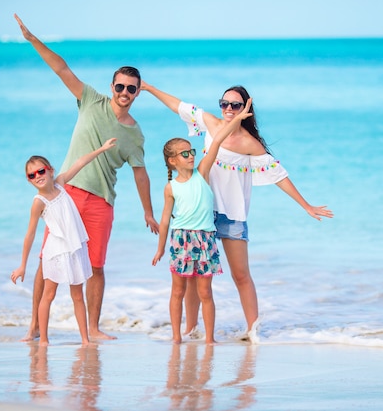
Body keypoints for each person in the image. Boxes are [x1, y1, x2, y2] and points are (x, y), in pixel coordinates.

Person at [141, 82, 333, 342]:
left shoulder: (250, 143)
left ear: (246, 108)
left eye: (235, 105)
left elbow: (278, 175)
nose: (229, 109)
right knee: (195, 278)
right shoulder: (211, 123)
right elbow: (179, 105)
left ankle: (253, 331)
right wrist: (149, 88)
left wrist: (306, 205)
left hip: (232, 214)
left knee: (241, 275)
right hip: (202, 214)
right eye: (224, 104)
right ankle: (191, 330)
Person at [14, 14, 159, 341]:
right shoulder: (91, 100)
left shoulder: (135, 135)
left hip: (101, 203)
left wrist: (148, 212)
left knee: (95, 266)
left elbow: (141, 175)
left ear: (137, 93)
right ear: (112, 87)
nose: (124, 91)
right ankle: (35, 327)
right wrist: (32, 38)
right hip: (66, 194)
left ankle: (92, 329)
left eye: (131, 88)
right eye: (119, 86)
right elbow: (62, 69)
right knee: (47, 260)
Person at [152, 100, 253, 344]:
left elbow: (216, 141)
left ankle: (209, 338)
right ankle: (177, 336)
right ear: (172, 161)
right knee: (178, 291)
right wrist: (160, 247)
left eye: (192, 152)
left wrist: (237, 121)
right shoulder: (171, 187)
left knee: (205, 291)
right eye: (184, 153)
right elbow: (165, 220)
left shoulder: (203, 172)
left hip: (205, 238)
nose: (190, 156)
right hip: (181, 238)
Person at [11, 138, 117, 346]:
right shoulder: (38, 202)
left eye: (41, 171)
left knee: (77, 296)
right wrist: (22, 265)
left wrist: (102, 149)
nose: (38, 177)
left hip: (75, 249)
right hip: (56, 252)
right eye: (32, 175)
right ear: (29, 181)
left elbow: (79, 162)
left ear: (50, 170)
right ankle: (44, 339)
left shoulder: (60, 184)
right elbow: (30, 235)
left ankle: (85, 340)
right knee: (48, 295)